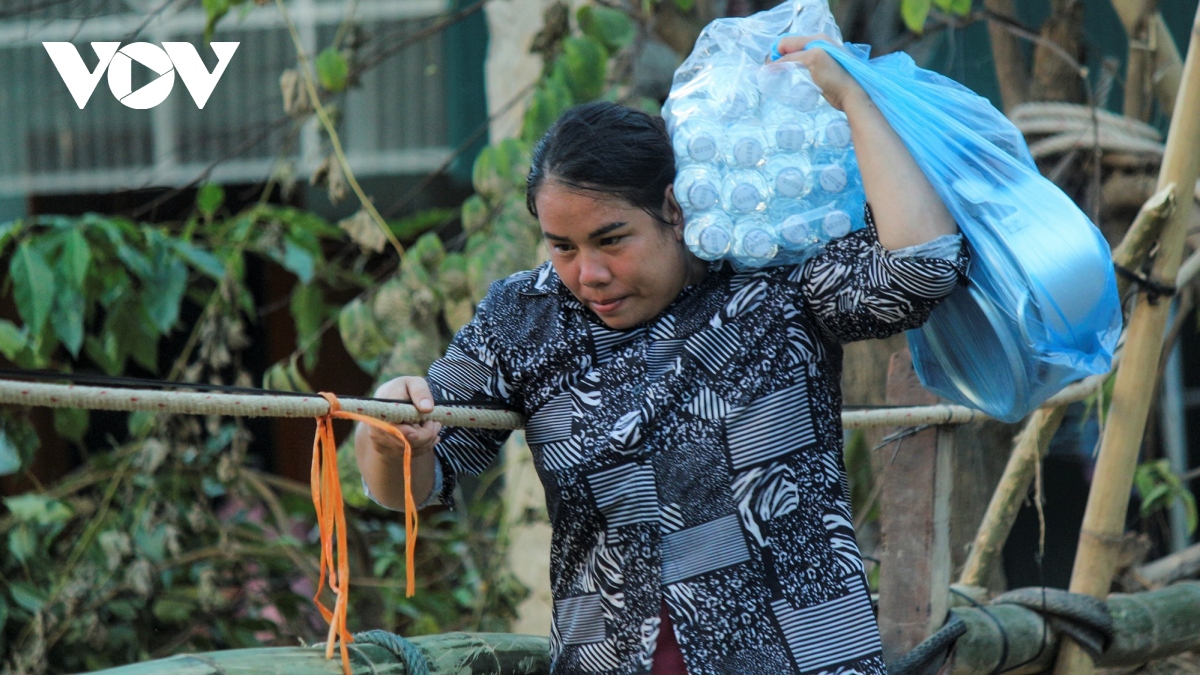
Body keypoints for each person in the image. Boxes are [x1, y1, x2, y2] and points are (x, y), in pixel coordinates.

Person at [356, 35, 967, 675]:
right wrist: (397, 438)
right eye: (561, 246)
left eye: (611, 239)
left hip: (803, 657)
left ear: (673, 209)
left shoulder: (769, 279)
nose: (587, 273)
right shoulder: (524, 317)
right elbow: (408, 489)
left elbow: (921, 271)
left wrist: (852, 99)